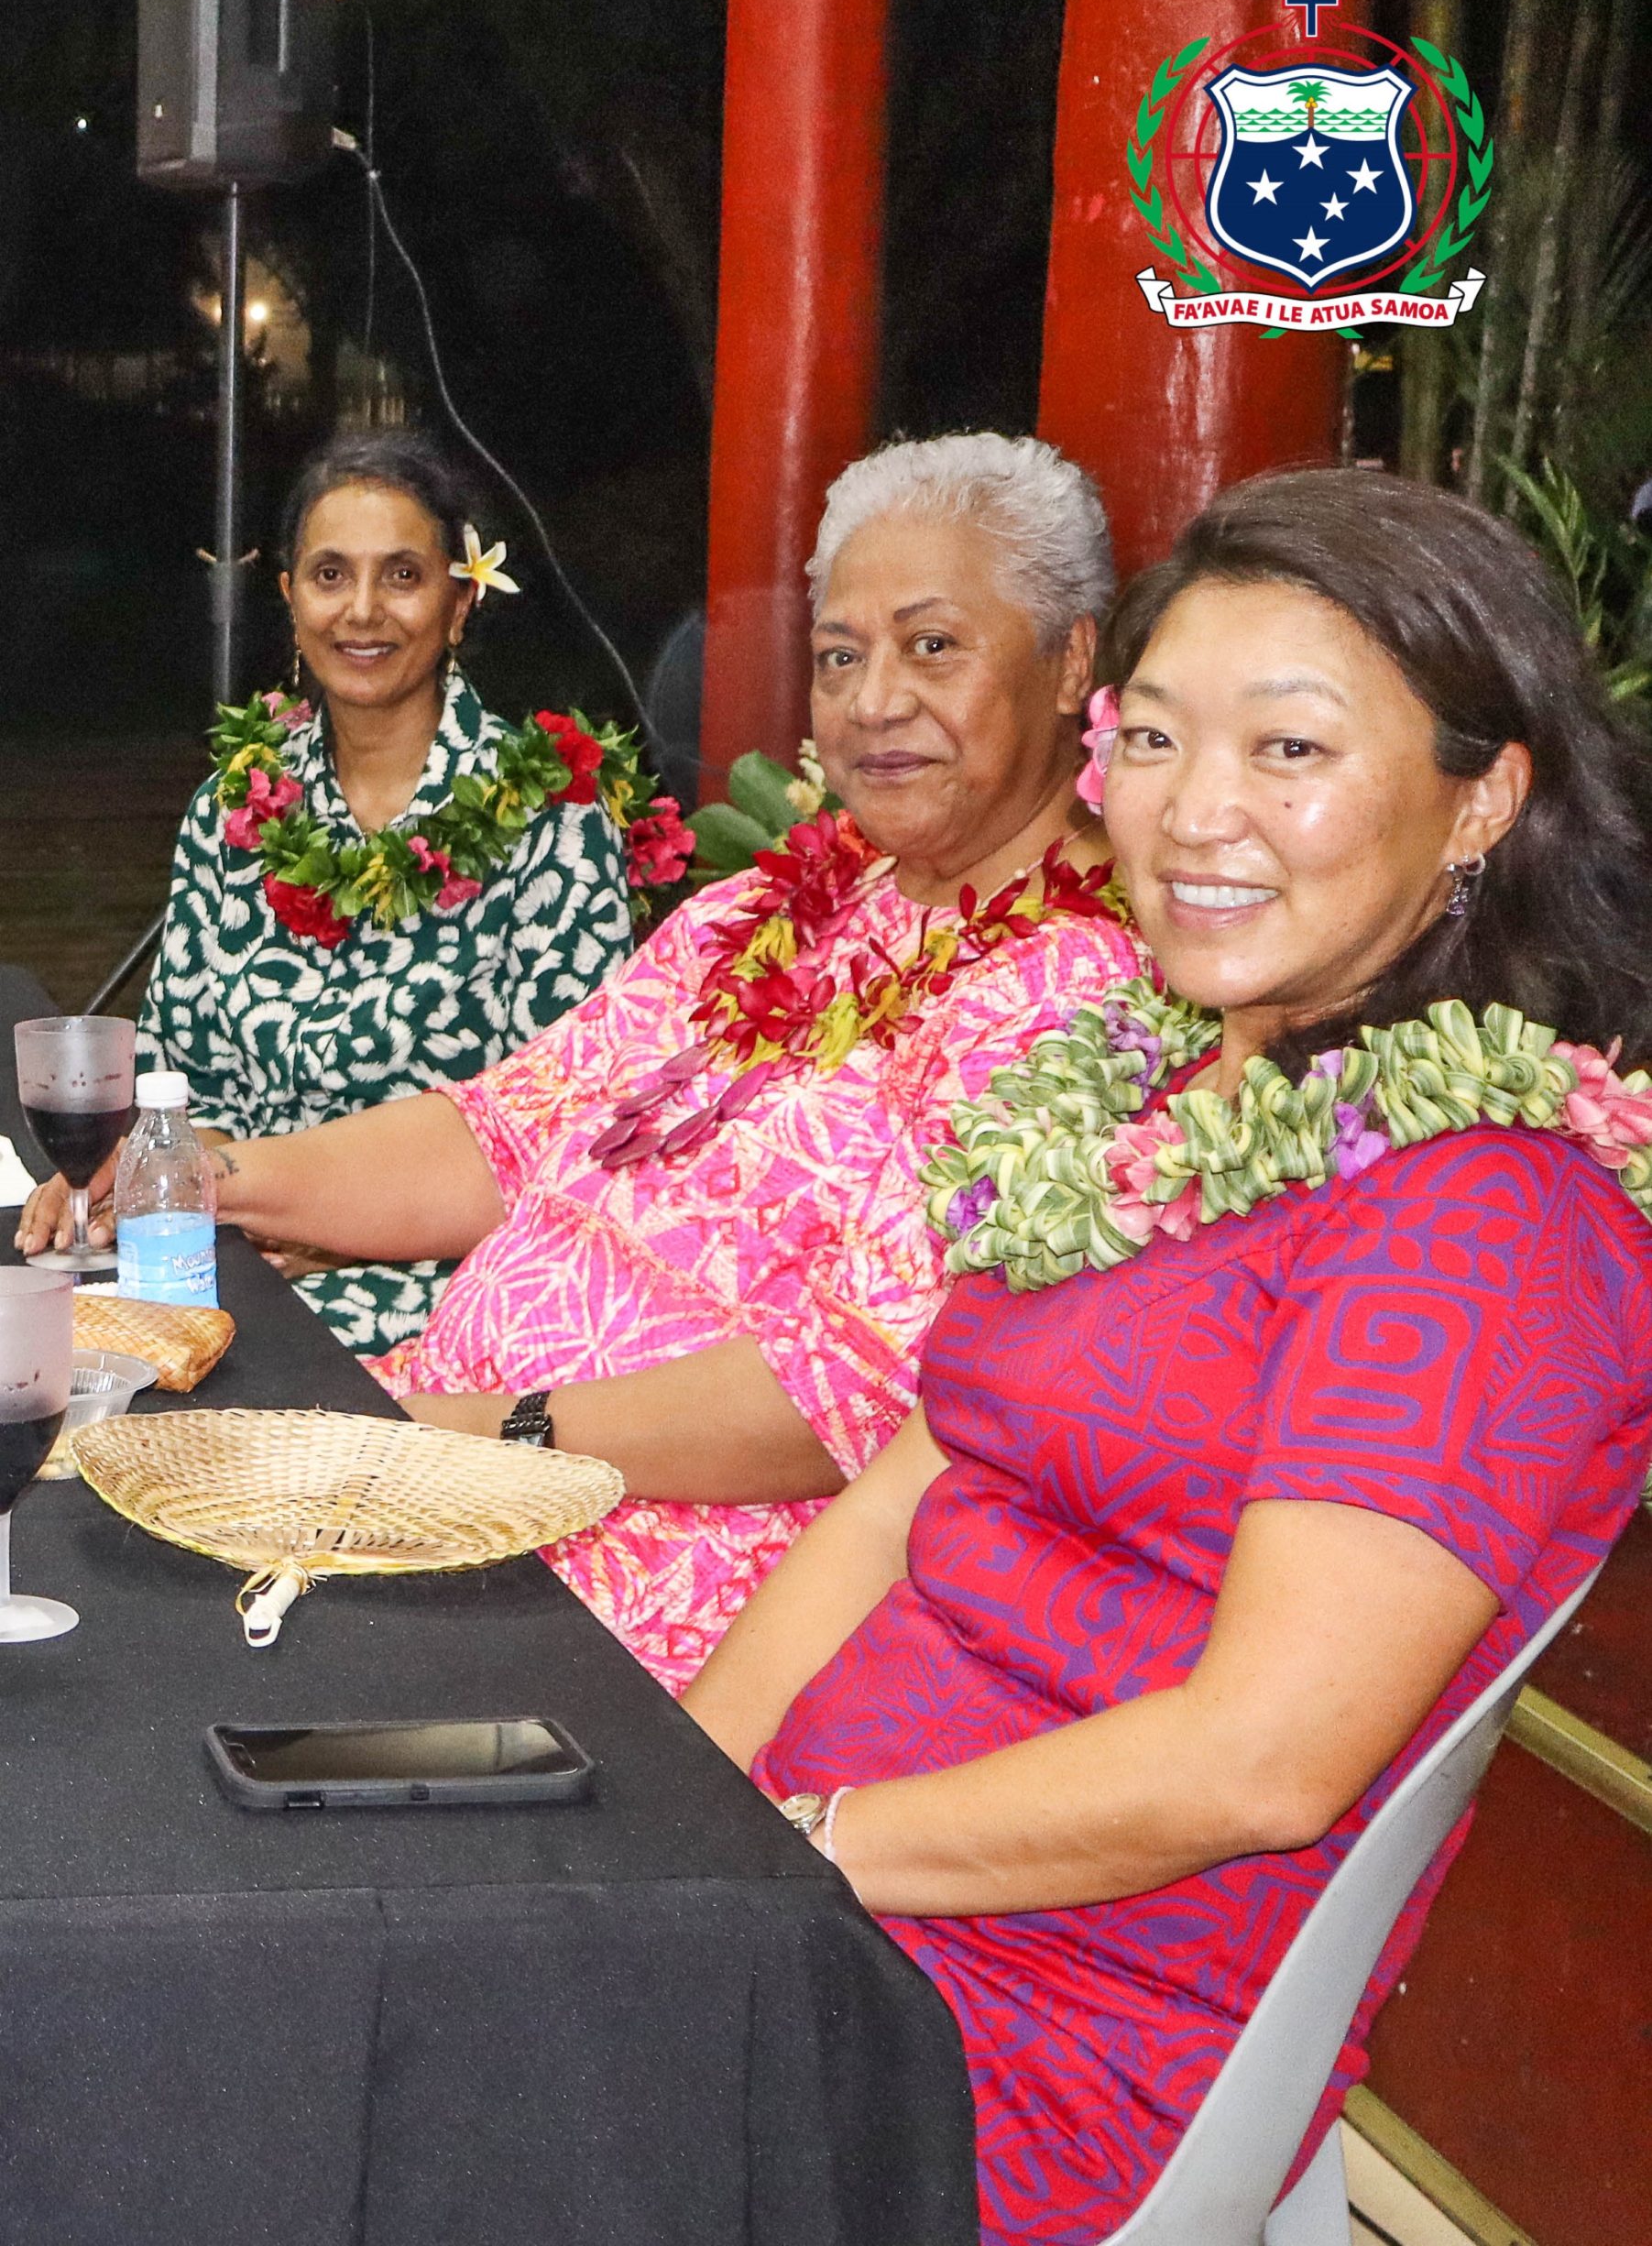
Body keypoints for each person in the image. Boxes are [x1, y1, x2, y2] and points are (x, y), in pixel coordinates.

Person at [682, 467, 1652, 2245]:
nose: (1195, 812)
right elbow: (902, 1493)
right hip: (798, 1926)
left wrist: (783, 1853)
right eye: (1155, 739)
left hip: (1002, 2042)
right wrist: (677, 1812)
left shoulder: (1483, 1225)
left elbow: (1254, 1761)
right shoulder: (1143, 1090)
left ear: (1479, 797)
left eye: (1287, 751)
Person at [22, 432, 1146, 1691]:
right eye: (840, 654)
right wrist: (203, 1176)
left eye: (931, 647)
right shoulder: (771, 911)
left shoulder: (1082, 998)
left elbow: (854, 1391)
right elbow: (503, 1130)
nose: (874, 699)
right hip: (427, 1447)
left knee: (114, 1668)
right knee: (60, 1535)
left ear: (1072, 663)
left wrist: (468, 1436)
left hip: (627, 1562)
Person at [136, 430, 633, 1352]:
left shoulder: (550, 815)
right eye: (330, 575)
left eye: (402, 576)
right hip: (232, 1260)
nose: (362, 611)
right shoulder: (233, 808)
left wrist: (330, 1229)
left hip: (456, 1287)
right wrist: (224, 1228)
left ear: (459, 602)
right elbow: (179, 1076)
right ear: (288, 601)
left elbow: (570, 1133)